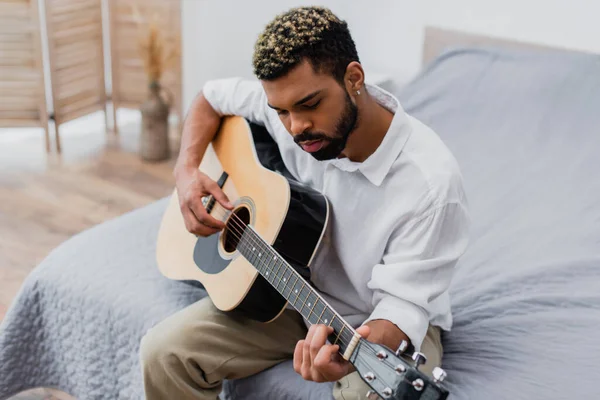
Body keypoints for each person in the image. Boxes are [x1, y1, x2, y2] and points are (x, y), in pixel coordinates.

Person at [140, 6, 470, 400]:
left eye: (310, 105)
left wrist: (348, 359)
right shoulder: (288, 105)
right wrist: (186, 171)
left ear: (353, 78)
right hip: (284, 288)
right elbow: (209, 98)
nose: (295, 127)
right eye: (281, 112)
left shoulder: (431, 186)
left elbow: (401, 310)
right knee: (162, 354)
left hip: (373, 318)